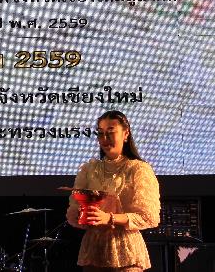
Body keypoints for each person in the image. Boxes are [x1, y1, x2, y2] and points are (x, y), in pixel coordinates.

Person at [66, 110, 160, 272]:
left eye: (110, 132)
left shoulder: (139, 169)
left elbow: (148, 216)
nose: (105, 138)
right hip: (93, 252)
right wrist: (82, 215)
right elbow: (74, 212)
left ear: (126, 134)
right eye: (100, 133)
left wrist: (109, 218)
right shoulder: (89, 169)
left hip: (126, 253)